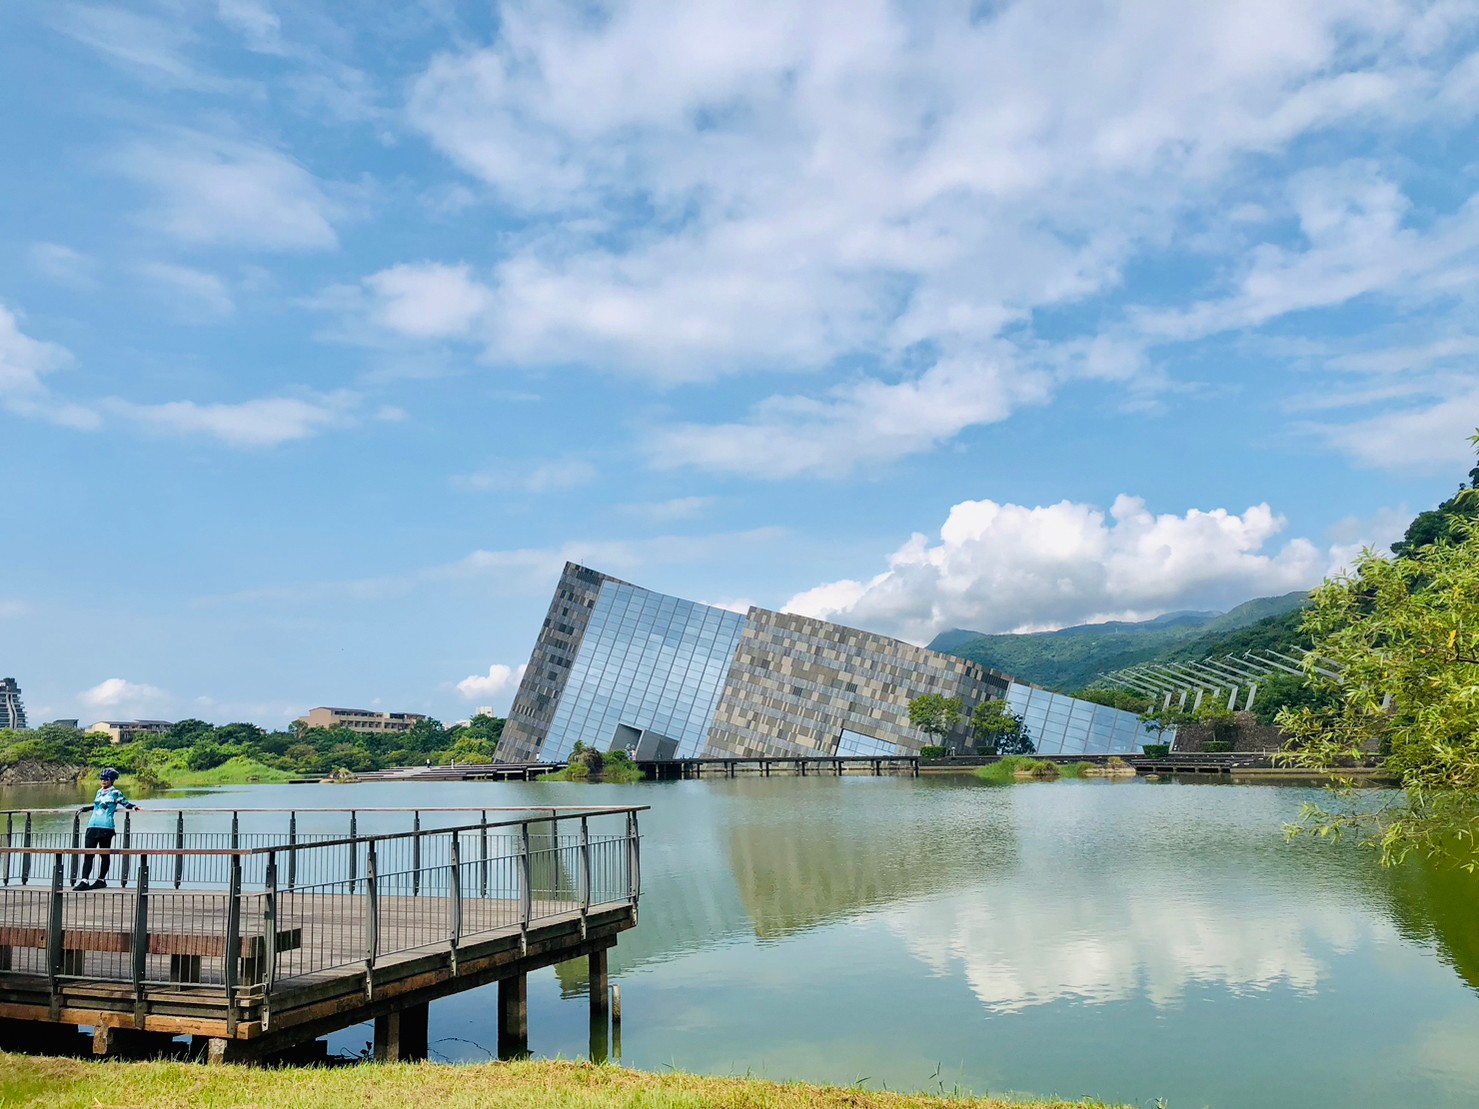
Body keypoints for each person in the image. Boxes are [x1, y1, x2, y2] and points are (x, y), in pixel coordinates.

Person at [75, 767, 141, 891]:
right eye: (102, 779)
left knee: (104, 854)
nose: (103, 781)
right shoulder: (99, 792)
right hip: (92, 826)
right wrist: (85, 809)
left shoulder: (116, 793)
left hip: (106, 827)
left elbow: (125, 803)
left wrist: (134, 807)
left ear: (112, 781)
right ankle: (84, 880)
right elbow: (97, 805)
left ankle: (101, 879)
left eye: (106, 779)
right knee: (88, 853)